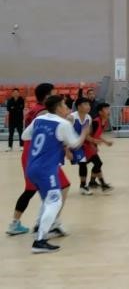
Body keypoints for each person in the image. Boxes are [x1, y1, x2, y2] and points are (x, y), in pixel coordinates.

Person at [25, 95, 91, 253]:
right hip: (46, 169)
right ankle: (39, 241)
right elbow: (75, 144)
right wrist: (83, 133)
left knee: (47, 201)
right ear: (58, 108)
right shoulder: (63, 124)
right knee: (55, 202)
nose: (68, 108)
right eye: (65, 105)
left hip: (31, 166)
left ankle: (40, 227)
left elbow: (25, 136)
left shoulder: (39, 119)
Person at [6, 83, 70, 238]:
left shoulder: (36, 109)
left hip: (32, 154)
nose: (57, 96)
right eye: (54, 93)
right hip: (38, 156)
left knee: (34, 189)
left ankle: (18, 223)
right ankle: (49, 224)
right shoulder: (44, 113)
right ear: (48, 97)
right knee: (61, 186)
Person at [84, 103, 114, 193]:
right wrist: (92, 146)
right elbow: (87, 136)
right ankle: (101, 184)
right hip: (87, 146)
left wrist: (105, 142)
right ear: (100, 112)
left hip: (92, 146)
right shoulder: (95, 122)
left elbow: (97, 135)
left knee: (97, 164)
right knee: (98, 163)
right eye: (106, 109)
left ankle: (93, 182)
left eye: (108, 109)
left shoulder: (105, 122)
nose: (108, 111)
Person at [69, 97, 93, 195]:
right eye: (85, 104)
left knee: (83, 163)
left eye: (89, 104)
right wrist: (67, 150)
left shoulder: (88, 118)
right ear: (79, 107)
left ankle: (83, 186)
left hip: (78, 145)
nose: (88, 106)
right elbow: (63, 134)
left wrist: (94, 142)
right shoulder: (71, 118)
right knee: (56, 165)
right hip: (66, 145)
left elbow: (86, 135)